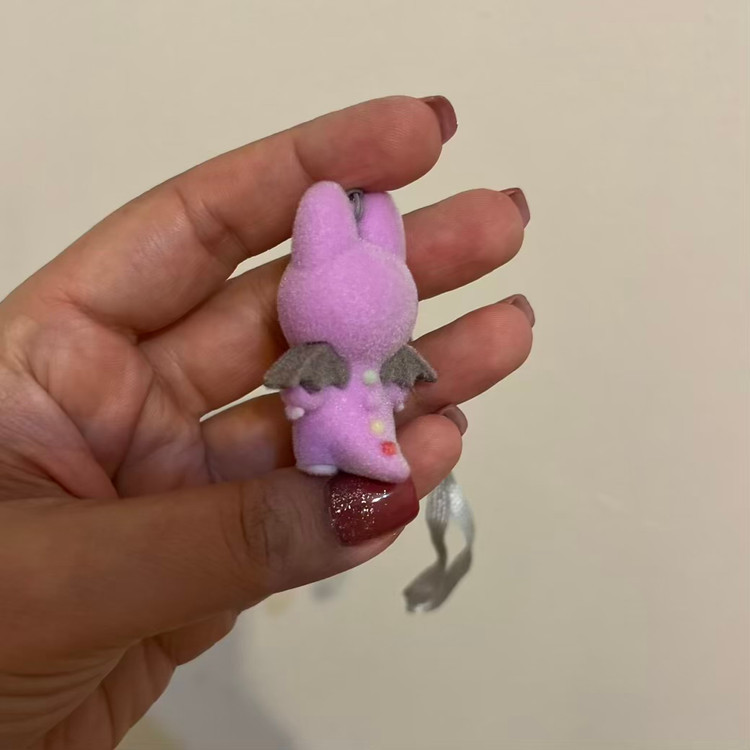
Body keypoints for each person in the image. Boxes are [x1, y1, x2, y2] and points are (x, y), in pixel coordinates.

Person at [0, 95, 533, 749]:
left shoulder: (378, 352)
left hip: (351, 408)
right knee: (357, 439)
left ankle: (361, 451)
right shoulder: (317, 352)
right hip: (331, 421)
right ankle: (358, 454)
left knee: (372, 428)